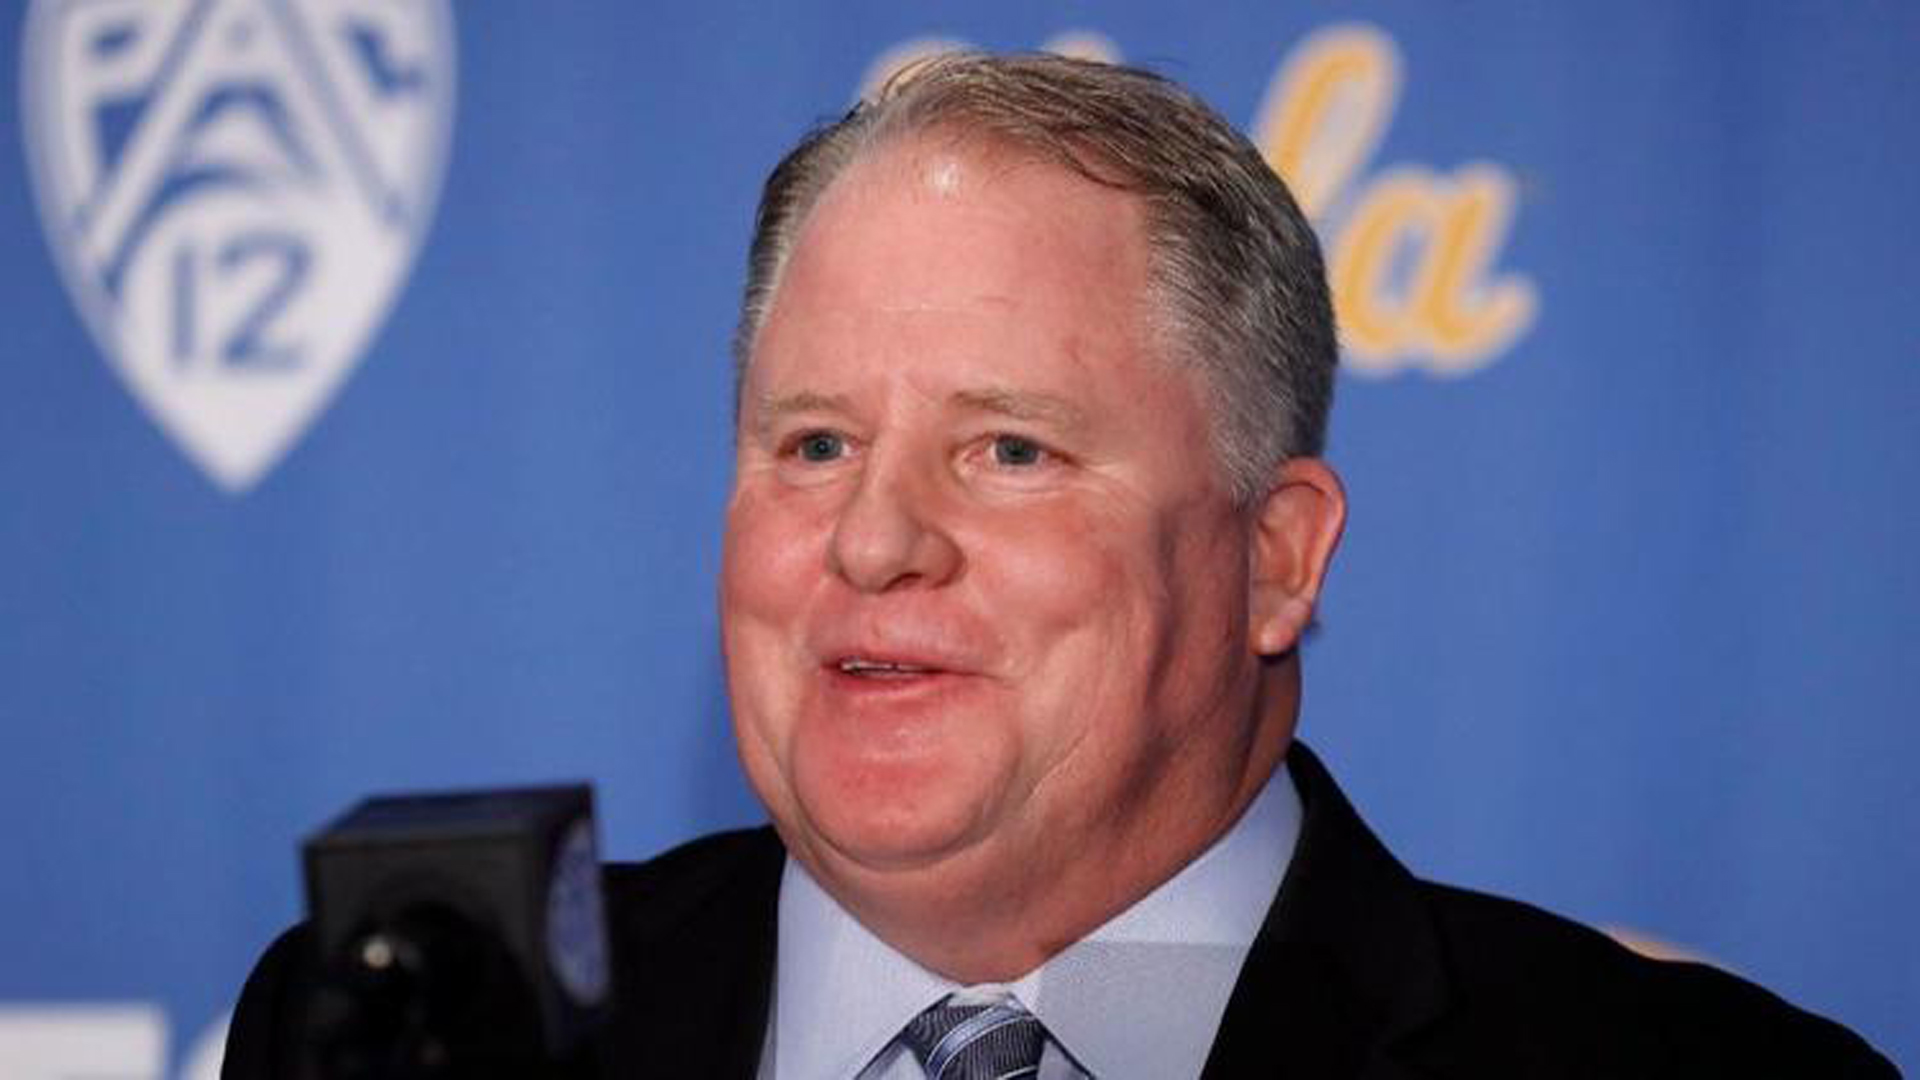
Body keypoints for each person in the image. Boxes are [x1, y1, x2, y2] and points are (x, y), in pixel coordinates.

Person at [226, 53, 1897, 1078]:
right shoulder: (412, 1029)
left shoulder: (1673, 1074)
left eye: (1006, 450)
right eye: (812, 445)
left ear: (1276, 558)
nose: (874, 540)